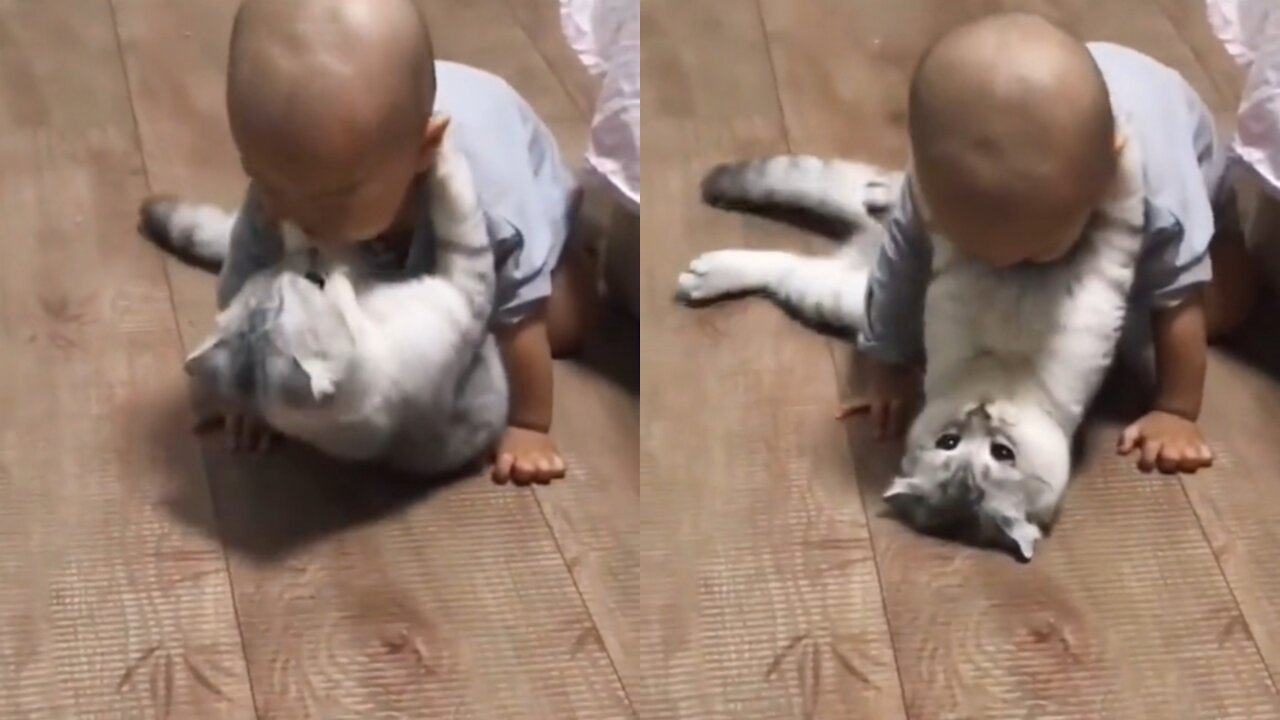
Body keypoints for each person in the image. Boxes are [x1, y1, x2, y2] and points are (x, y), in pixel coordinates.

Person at [172, 0, 597, 485]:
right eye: (262, 180)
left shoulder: (493, 197)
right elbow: (245, 279)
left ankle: (575, 258)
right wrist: (250, 387)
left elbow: (523, 321)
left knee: (565, 324)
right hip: (385, 212)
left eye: (329, 199)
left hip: (516, 215)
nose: (292, 217)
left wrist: (529, 424)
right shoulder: (291, 185)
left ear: (425, 150)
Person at [852, 13, 1259, 474]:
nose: (1007, 271)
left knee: (1229, 301)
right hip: (1078, 120)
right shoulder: (929, 189)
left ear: (1109, 172)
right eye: (975, 251)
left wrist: (1176, 409)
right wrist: (887, 362)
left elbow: (1179, 300)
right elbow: (900, 265)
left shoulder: (1162, 192)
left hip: (1195, 191)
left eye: (1033, 254)